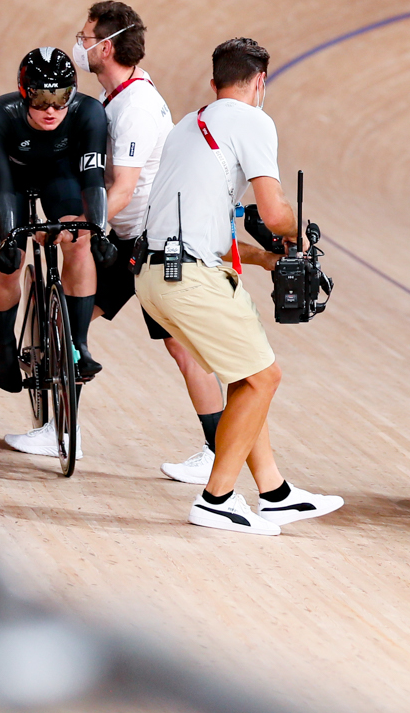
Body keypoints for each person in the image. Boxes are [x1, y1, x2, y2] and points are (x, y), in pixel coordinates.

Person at [135, 38, 342, 536]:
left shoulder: (188, 126)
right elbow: (273, 212)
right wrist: (298, 233)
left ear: (213, 83)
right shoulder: (253, 120)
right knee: (263, 378)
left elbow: (206, 225)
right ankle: (216, 499)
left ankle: (274, 493)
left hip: (158, 272)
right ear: (259, 82)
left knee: (246, 377)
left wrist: (266, 258)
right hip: (191, 277)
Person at [63, 3, 229, 480]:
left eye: (85, 35)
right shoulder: (122, 93)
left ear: (106, 47)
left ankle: (219, 450)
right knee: (74, 318)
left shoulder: (134, 106)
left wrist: (83, 223)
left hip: (151, 242)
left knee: (181, 345)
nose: (80, 43)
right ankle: (54, 421)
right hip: (131, 237)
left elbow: (124, 187)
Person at [0, 47, 109, 457]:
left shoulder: (89, 114)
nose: (51, 110)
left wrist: (97, 230)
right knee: (10, 260)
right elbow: (1, 185)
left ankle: (80, 345)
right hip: (8, 177)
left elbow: (92, 181)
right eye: (39, 100)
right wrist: (8, 241)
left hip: (59, 172)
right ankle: (4, 344)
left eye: (61, 98)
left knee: (79, 238)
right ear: (23, 94)